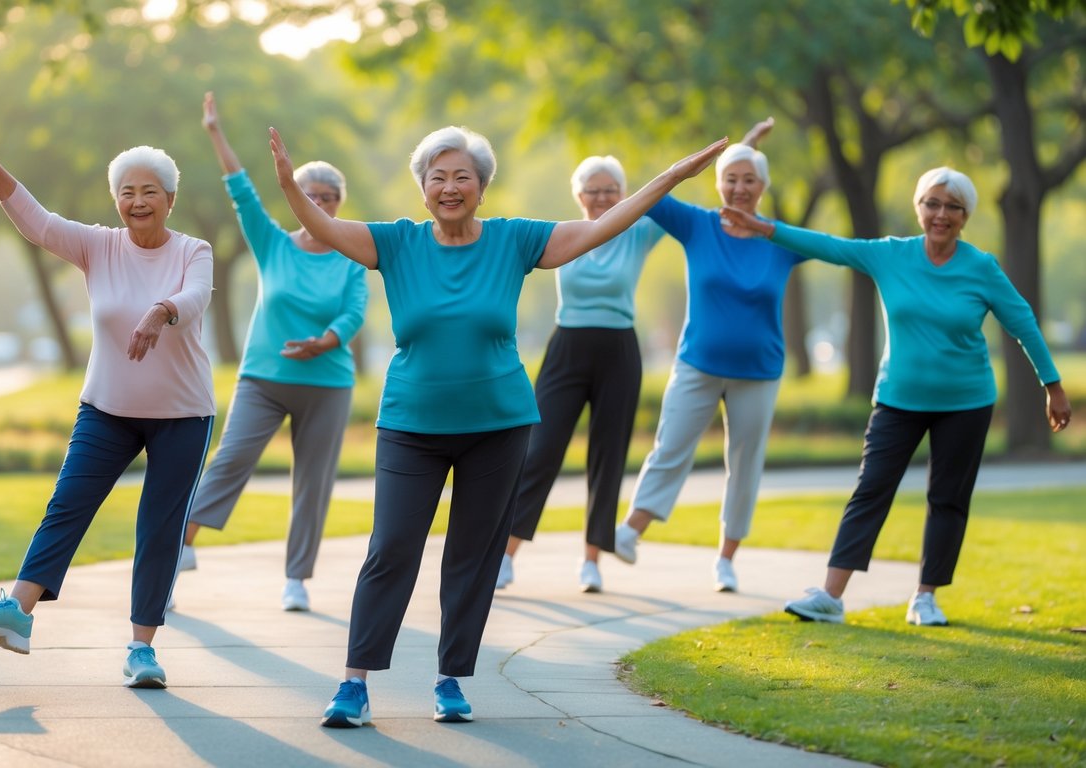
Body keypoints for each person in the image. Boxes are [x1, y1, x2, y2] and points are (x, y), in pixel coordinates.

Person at [268, 123, 728, 727]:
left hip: (499, 426)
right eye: (438, 177)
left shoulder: (514, 240)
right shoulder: (396, 243)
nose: (450, 186)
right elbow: (325, 228)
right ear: (423, 189)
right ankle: (353, 682)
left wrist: (669, 179)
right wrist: (286, 183)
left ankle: (451, 680)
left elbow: (598, 228)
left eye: (463, 176)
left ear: (483, 188)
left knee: (473, 555)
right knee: (393, 548)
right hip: (411, 423)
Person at [721, 166, 1071, 626]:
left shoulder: (981, 267)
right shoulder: (891, 255)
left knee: (948, 498)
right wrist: (765, 228)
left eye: (952, 207)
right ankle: (831, 596)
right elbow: (832, 247)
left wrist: (1053, 387)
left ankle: (925, 597)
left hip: (966, 402)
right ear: (918, 207)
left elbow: (1022, 322)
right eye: (932, 204)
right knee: (870, 491)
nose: (940, 215)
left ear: (966, 216)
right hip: (899, 399)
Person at [0, 105, 216, 688]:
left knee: (158, 528)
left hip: (182, 415)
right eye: (126, 192)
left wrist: (160, 310)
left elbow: (194, 296)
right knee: (67, 504)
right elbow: (35, 220)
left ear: (170, 198)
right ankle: (17, 612)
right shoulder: (99, 246)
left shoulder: (194, 250)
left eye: (149, 191)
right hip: (107, 410)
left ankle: (142, 649)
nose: (137, 201)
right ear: (116, 199)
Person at [176, 92, 367, 613]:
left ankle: (297, 579)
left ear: (339, 204)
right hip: (264, 377)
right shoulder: (273, 242)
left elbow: (353, 312)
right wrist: (215, 131)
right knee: (229, 461)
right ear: (295, 196)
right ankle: (177, 553)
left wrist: (325, 342)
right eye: (310, 193)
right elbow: (241, 191)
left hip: (327, 382)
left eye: (329, 196)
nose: (321, 202)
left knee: (313, 482)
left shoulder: (352, 255)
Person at [612, 118, 796, 593]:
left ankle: (726, 559)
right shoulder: (698, 225)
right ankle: (631, 530)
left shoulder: (780, 239)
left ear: (762, 187)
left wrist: (750, 152)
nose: (739, 188)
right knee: (671, 445)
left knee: (745, 463)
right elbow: (654, 194)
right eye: (730, 179)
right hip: (698, 364)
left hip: (758, 371)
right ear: (717, 183)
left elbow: (834, 248)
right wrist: (709, 159)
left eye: (749, 180)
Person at [497, 155, 665, 593]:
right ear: (579, 195)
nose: (601, 197)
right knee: (540, 450)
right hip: (568, 348)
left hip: (619, 351)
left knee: (609, 455)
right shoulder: (565, 234)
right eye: (592, 189)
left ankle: (592, 559)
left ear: (623, 194)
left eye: (610, 189)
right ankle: (506, 556)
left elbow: (670, 197)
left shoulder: (639, 232)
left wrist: (744, 149)